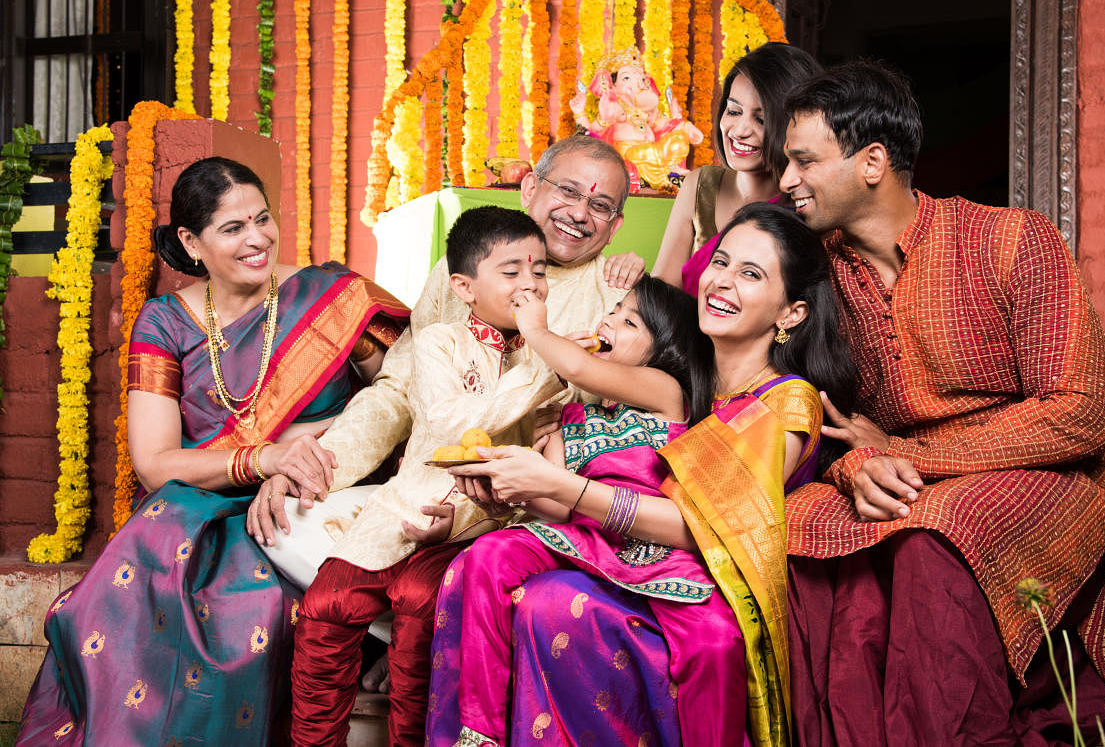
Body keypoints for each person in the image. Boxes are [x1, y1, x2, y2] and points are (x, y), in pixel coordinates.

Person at [777, 62, 1105, 744]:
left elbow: (1079, 410)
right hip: (900, 476)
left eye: (804, 160)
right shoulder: (818, 274)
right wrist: (853, 465)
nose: (786, 181)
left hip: (1046, 471)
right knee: (800, 526)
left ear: (872, 162)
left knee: (937, 537)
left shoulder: (1012, 239)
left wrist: (904, 453)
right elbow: (811, 411)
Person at [246, 135, 643, 744]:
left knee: (425, 591)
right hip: (425, 485)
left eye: (601, 206)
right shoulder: (459, 272)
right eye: (567, 190)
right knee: (299, 530)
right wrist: (323, 462)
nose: (579, 212)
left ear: (615, 226)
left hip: (530, 506)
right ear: (531, 188)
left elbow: (610, 428)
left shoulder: (619, 295)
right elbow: (400, 390)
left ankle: (416, 650)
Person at [429, 204, 857, 746]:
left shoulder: (782, 402)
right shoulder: (688, 389)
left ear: (791, 314)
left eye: (750, 274)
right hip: (613, 555)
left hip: (707, 584)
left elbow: (710, 527)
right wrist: (512, 494)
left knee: (604, 615)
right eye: (721, 262)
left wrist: (562, 485)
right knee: (504, 573)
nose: (721, 282)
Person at [16, 157, 408, 746]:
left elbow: (406, 395)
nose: (257, 240)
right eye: (232, 228)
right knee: (142, 581)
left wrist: (322, 443)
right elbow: (155, 462)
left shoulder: (332, 297)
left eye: (263, 219)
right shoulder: (166, 323)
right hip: (204, 509)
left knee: (257, 600)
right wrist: (264, 457)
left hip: (318, 499)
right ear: (190, 241)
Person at [287, 206, 565, 745]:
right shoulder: (441, 342)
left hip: (487, 518)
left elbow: (544, 453)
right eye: (511, 272)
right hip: (406, 501)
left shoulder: (551, 351)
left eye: (540, 272)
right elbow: (448, 423)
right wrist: (546, 371)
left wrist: (546, 352)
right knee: (326, 606)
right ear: (463, 286)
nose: (530, 285)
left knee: (419, 600)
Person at [652, 42, 820, 295]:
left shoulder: (808, 204)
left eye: (761, 119)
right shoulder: (701, 185)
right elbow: (661, 294)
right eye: (733, 111)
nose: (740, 130)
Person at [570, 46, 704, 190]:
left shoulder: (647, 108)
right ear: (613, 86)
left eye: (640, 78)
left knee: (679, 139)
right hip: (629, 152)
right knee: (640, 153)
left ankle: (671, 169)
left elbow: (664, 124)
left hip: (653, 150)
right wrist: (579, 113)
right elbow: (591, 133)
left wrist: (686, 127)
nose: (637, 83)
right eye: (626, 78)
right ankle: (664, 175)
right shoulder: (614, 107)